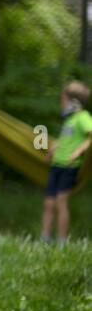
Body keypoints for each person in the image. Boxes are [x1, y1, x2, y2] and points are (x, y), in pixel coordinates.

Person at [41, 80, 92, 244]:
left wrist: (79, 151)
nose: (61, 103)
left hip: (69, 167)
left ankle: (62, 241)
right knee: (49, 203)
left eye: (63, 100)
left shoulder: (83, 117)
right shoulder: (69, 120)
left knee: (60, 203)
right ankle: (45, 238)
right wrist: (53, 149)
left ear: (73, 102)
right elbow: (65, 138)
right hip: (56, 165)